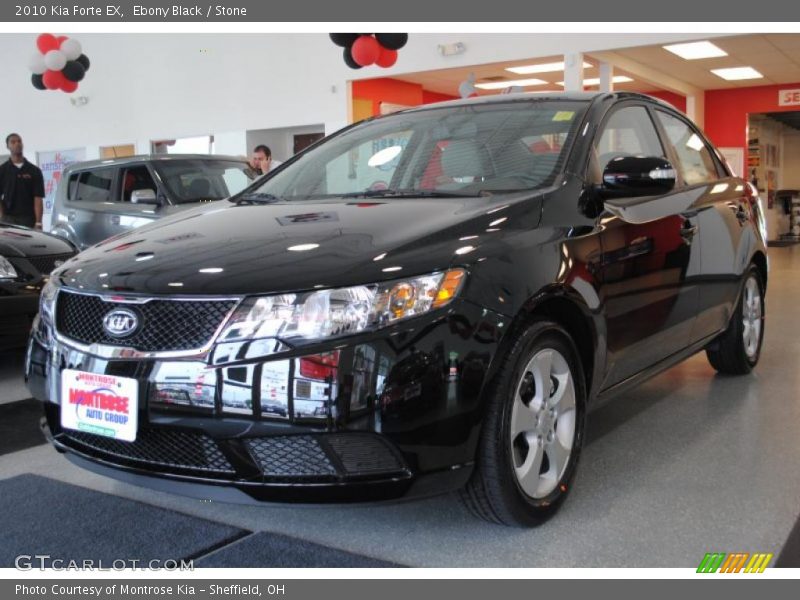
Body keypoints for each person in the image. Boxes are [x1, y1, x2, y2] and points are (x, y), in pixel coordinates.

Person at [0, 133, 45, 229]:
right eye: (13, 142)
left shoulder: (34, 171)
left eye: (19, 141)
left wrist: (38, 222)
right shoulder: (2, 170)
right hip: (8, 219)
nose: (17, 144)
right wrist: (2, 216)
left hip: (28, 219)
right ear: (8, 146)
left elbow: (38, 198)